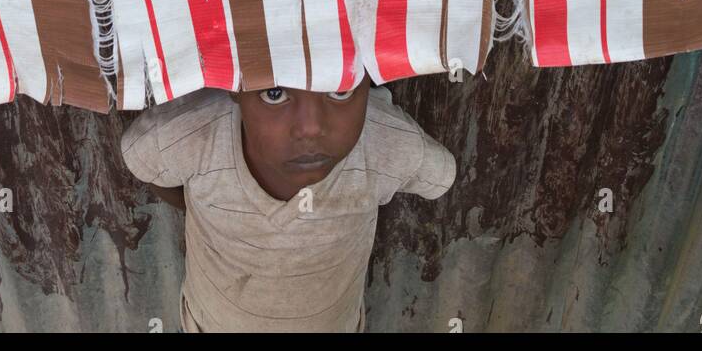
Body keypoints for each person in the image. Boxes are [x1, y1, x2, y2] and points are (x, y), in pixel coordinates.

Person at [121, 74, 456, 333]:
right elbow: (146, 160)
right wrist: (199, 207)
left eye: (340, 90)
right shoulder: (193, 135)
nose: (311, 129)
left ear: (369, 81)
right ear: (235, 85)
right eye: (275, 92)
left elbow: (439, 175)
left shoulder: (386, 143)